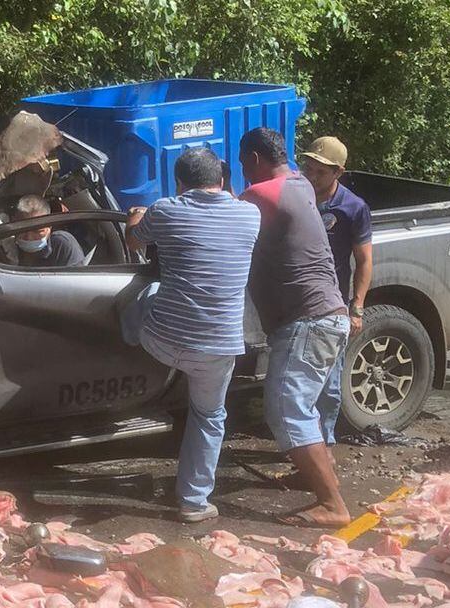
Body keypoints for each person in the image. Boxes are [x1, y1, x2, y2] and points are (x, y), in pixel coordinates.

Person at [125, 147, 261, 523]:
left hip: (162, 341)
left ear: (179, 184)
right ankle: (194, 502)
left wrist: (135, 218)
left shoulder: (165, 210)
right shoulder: (250, 215)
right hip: (217, 349)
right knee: (209, 415)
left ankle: (125, 345)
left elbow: (133, 241)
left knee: (144, 293)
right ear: (221, 179)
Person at [238, 127, 352, 528]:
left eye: (242, 164)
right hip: (326, 315)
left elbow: (220, 221)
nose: (242, 171)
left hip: (308, 322)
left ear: (252, 160)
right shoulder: (300, 184)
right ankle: (320, 478)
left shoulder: (260, 196)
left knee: (286, 410)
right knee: (302, 407)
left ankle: (333, 504)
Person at [300, 135, 373, 444]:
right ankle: (301, 443)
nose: (311, 176)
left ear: (338, 173)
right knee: (298, 382)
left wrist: (356, 307)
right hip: (295, 301)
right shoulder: (298, 196)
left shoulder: (353, 208)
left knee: (328, 384)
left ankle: (325, 443)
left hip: (332, 307)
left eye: (320, 172)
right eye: (309, 168)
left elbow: (364, 259)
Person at [8, 194, 85, 267]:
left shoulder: (62, 244)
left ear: (49, 228)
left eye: (37, 231)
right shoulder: (9, 248)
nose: (29, 237)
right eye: (23, 230)